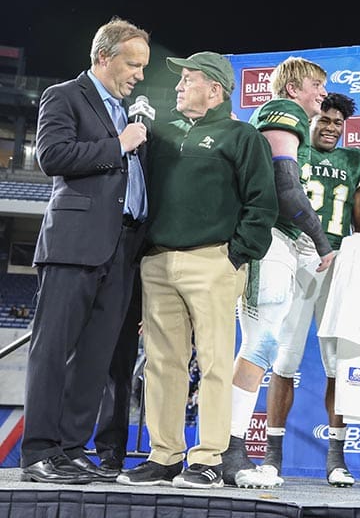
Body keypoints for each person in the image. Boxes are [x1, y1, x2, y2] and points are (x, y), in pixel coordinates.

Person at [116, 51, 277, 489]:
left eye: (189, 79)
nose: (180, 86)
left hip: (213, 260)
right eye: (181, 79)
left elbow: (263, 203)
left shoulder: (242, 136)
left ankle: (208, 459)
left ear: (215, 89)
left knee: (214, 364)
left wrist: (236, 255)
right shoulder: (161, 133)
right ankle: (164, 455)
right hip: (158, 261)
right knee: (161, 363)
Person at [20, 17, 150, 484]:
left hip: (121, 249)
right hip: (74, 245)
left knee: (95, 358)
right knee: (53, 351)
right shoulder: (64, 96)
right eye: (133, 64)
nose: (139, 74)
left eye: (143, 66)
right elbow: (52, 156)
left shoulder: (127, 112)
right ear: (103, 57)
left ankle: (71, 449)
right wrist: (119, 144)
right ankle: (38, 452)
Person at [223, 56, 337, 489]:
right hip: (266, 241)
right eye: (315, 85)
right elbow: (283, 184)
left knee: (262, 345)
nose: (322, 94)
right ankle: (228, 449)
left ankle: (227, 447)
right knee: (261, 342)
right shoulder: (283, 111)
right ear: (292, 89)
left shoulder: (293, 119)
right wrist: (321, 240)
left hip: (278, 242)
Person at [255, 92, 360, 488]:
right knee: (284, 357)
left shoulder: (355, 160)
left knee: (338, 362)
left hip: (338, 259)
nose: (331, 127)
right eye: (324, 118)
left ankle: (336, 458)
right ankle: (272, 457)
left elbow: (359, 217)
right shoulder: (293, 149)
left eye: (338, 122)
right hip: (297, 251)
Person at [92, 271, 142, 474]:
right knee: (74, 368)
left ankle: (111, 452)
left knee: (118, 372)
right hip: (92, 275)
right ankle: (64, 448)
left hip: (132, 279)